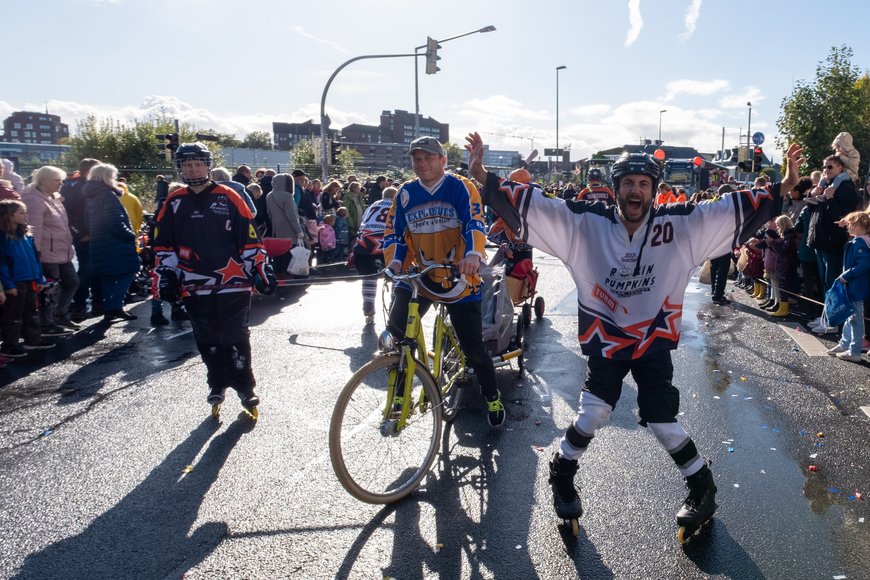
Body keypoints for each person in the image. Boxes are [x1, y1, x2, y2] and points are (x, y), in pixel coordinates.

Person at [465, 131, 803, 535]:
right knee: (593, 414)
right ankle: (562, 472)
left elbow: (729, 210)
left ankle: (702, 487)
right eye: (627, 183)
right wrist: (481, 174)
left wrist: (781, 188)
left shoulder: (681, 226)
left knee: (661, 421)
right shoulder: (584, 223)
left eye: (644, 184)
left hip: (653, 340)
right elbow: (536, 205)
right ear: (615, 188)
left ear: (655, 190)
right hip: (607, 340)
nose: (635, 191)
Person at [384, 136, 505, 427]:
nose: (422, 164)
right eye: (417, 159)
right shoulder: (405, 193)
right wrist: (396, 263)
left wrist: (474, 255)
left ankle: (492, 396)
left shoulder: (460, 186)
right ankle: (399, 395)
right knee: (397, 338)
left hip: (458, 277)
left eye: (428, 158)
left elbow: (475, 222)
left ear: (443, 161)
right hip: (421, 277)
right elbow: (396, 235)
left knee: (475, 349)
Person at [153, 142, 275, 414]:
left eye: (197, 163)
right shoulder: (174, 202)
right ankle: (216, 383)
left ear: (208, 165)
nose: (192, 168)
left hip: (233, 283)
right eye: (187, 164)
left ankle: (245, 387)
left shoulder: (230, 196)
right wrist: (166, 275)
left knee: (235, 336)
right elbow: (163, 245)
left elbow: (250, 238)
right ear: (180, 168)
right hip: (194, 284)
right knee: (207, 337)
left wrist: (260, 269)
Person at [21, 166, 81, 334]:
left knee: (72, 282)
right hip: (46, 253)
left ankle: (58, 315)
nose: (61, 183)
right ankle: (46, 323)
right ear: (44, 181)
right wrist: (36, 254)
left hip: (61, 251)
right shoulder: (34, 199)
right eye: (57, 180)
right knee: (49, 290)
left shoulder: (53, 197)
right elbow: (34, 229)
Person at [83, 163, 140, 324]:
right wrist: (130, 235)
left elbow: (87, 219)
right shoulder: (107, 195)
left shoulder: (91, 195)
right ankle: (116, 306)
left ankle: (110, 308)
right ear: (106, 177)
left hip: (99, 241)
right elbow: (114, 221)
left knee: (108, 276)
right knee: (130, 270)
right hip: (116, 242)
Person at [0, 199, 53, 357]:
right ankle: (11, 345)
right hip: (15, 281)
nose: (26, 215)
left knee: (31, 310)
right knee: (14, 313)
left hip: (30, 279)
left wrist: (39, 278)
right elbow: (2, 263)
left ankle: (33, 339)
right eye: (21, 212)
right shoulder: (3, 237)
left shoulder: (25, 234)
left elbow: (34, 259)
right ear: (9, 215)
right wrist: (9, 285)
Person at [826, 211, 870, 362]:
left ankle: (855, 351)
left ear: (859, 226)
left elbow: (864, 264)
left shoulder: (859, 243)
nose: (848, 227)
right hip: (853, 286)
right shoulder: (859, 241)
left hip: (856, 286)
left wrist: (847, 275)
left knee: (855, 319)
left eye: (851, 224)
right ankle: (845, 344)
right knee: (849, 315)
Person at [62, 157, 102, 321]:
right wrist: (80, 233)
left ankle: (99, 304)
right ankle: (80, 306)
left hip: (97, 235)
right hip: (85, 236)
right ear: (88, 172)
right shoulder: (73, 187)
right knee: (85, 271)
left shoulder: (93, 185)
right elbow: (67, 214)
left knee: (97, 270)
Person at [352, 186, 394, 324]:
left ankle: (368, 307)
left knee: (369, 277)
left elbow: (363, 223)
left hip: (364, 242)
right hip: (385, 243)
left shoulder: (373, 205)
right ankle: (395, 307)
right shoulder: (396, 205)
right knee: (398, 275)